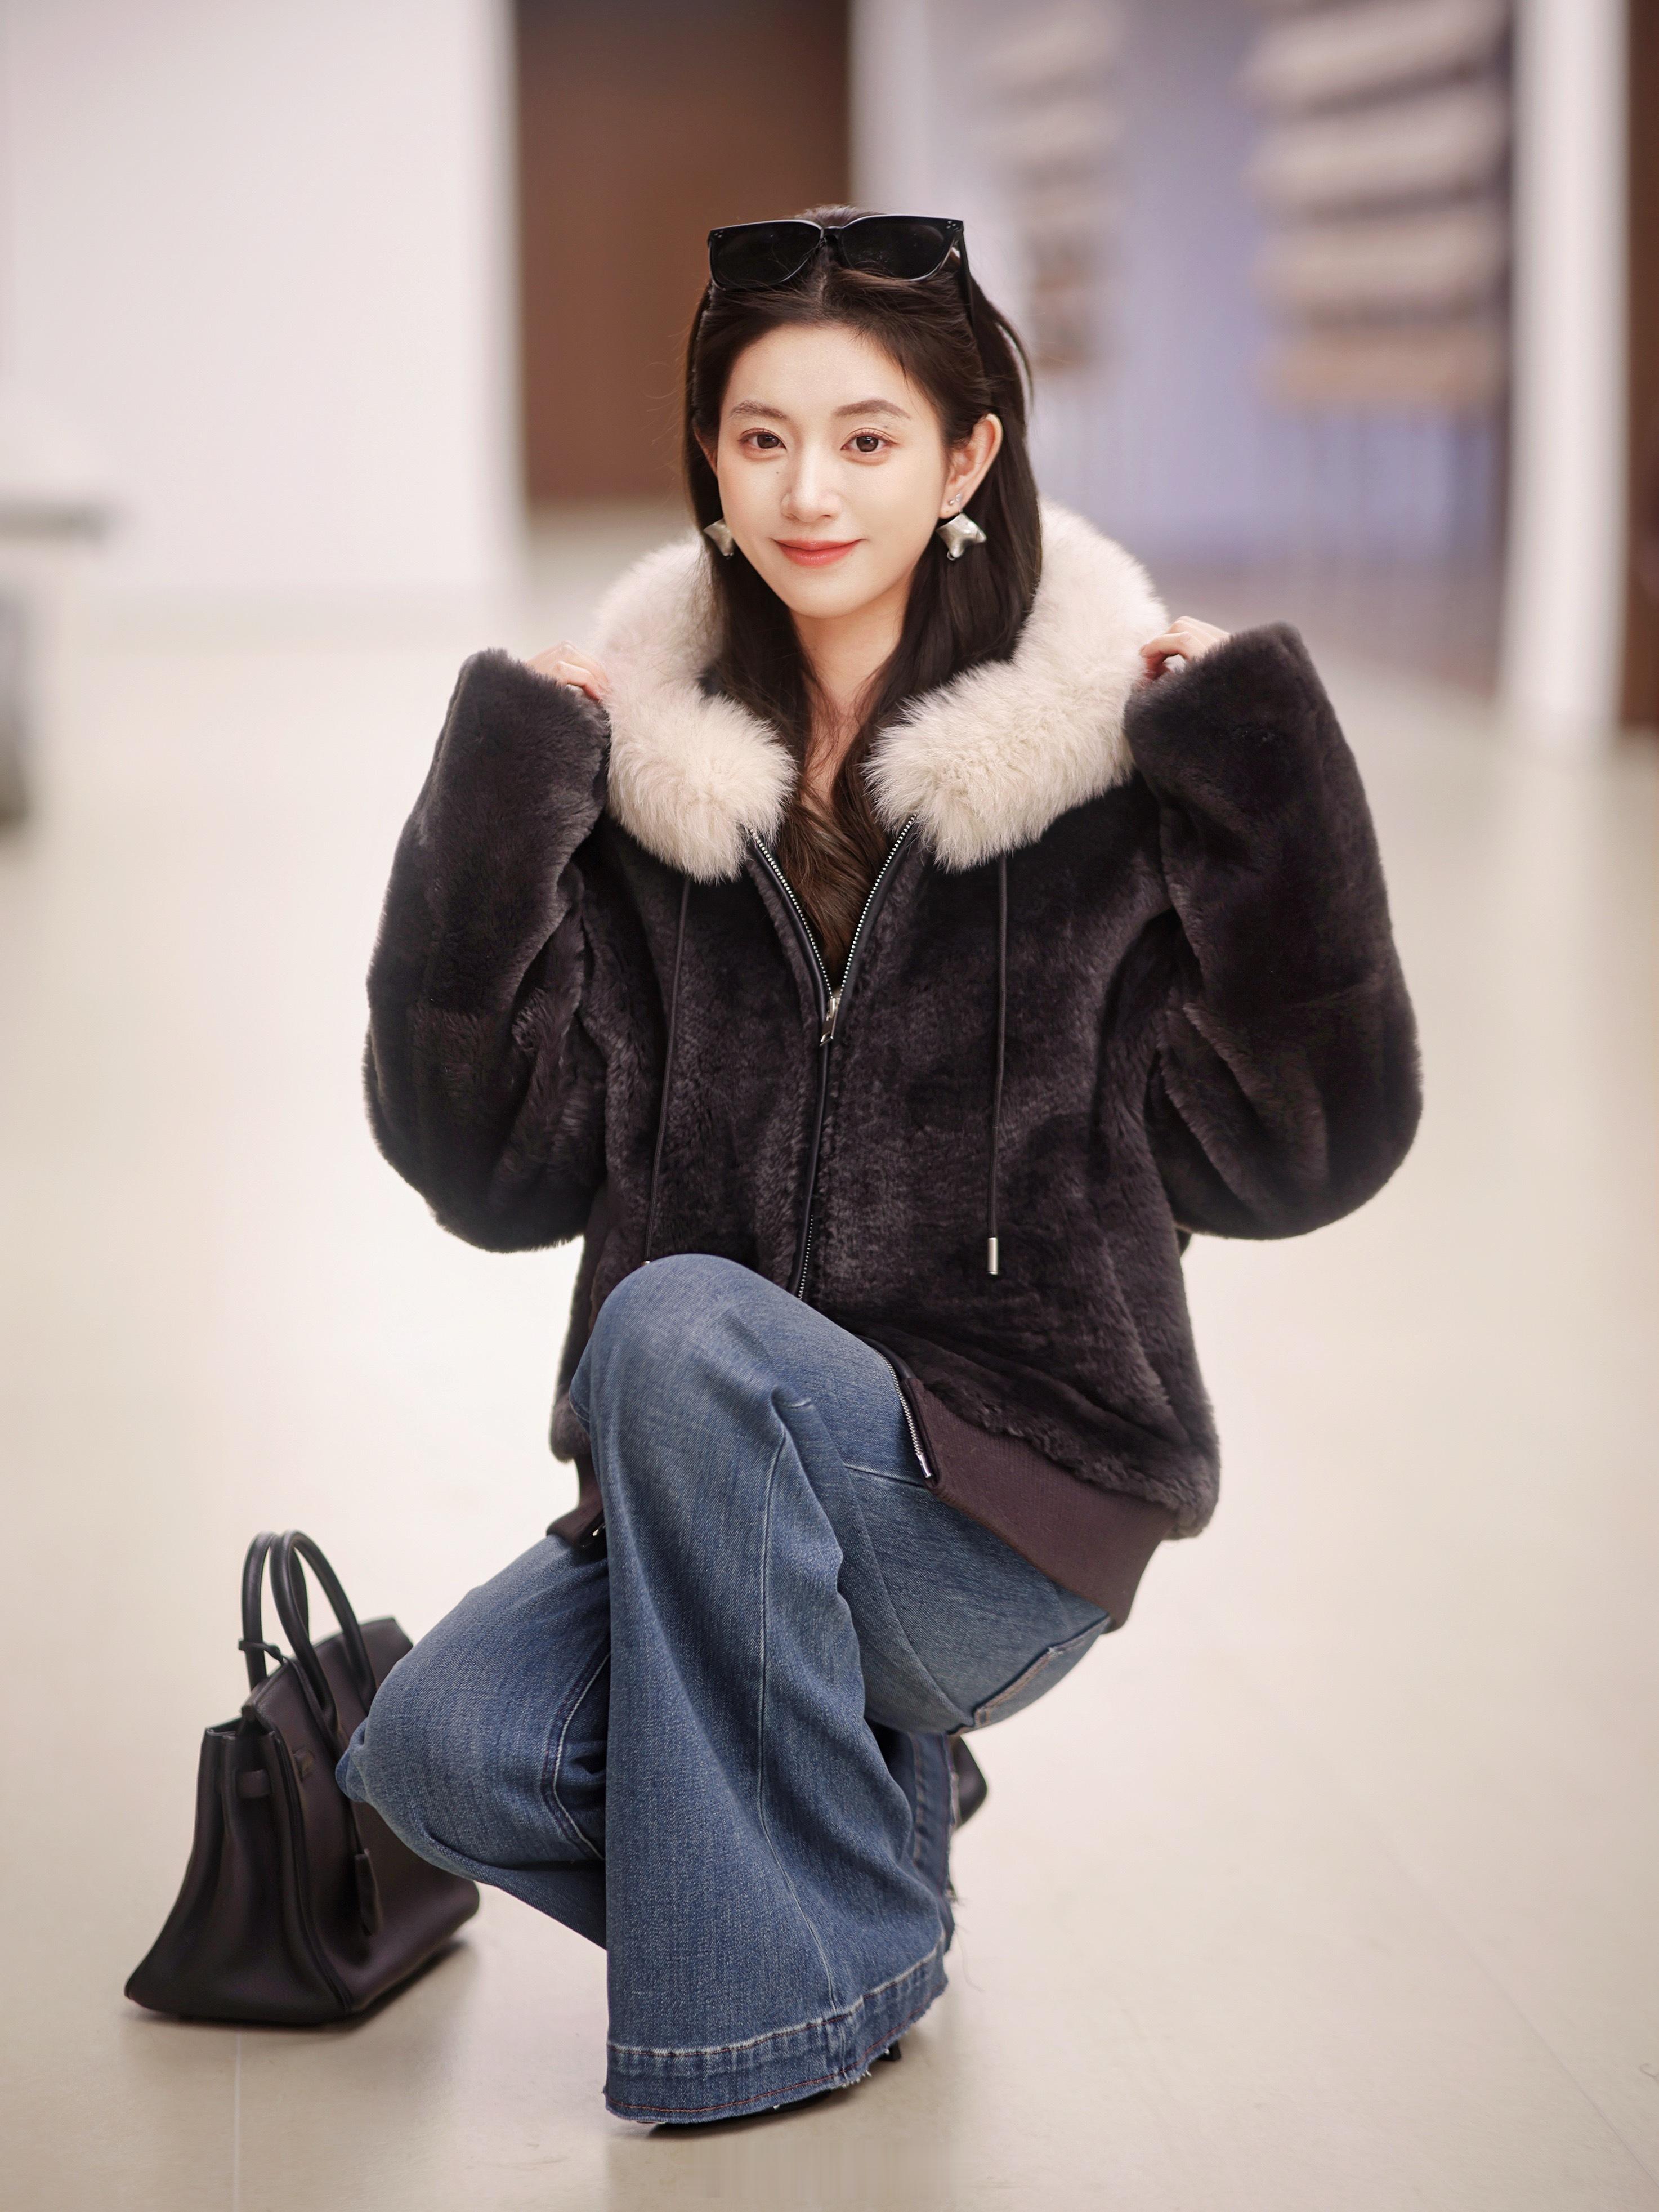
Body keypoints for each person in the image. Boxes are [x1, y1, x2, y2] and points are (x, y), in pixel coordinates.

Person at [336, 208, 1421, 2126]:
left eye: (864, 438)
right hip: (701, 1500)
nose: (808, 492)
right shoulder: (640, 780)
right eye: (760, 438)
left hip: (1004, 1495)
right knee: (437, 1755)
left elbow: (1299, 1158)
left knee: (676, 1324)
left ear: (966, 458)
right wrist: (498, 795)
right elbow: (493, 1174)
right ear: (707, 456)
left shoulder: (1106, 768)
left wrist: (1264, 774)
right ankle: (859, 1816)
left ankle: (761, 2036)